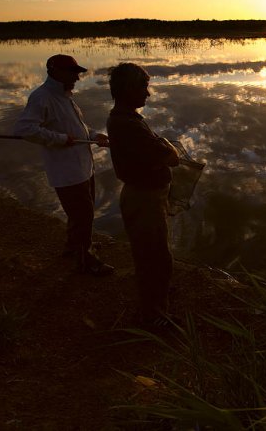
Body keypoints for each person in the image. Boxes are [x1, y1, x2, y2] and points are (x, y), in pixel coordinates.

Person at [14, 54, 114, 277]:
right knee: (83, 216)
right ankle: (86, 261)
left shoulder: (66, 97)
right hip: (67, 172)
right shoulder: (42, 97)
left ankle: (74, 247)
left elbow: (79, 129)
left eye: (77, 73)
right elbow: (24, 129)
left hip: (83, 167)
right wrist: (59, 139)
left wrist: (96, 136)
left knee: (81, 214)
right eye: (73, 73)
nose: (77, 78)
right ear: (55, 72)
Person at [105, 62, 180, 327]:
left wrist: (162, 147)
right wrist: (168, 147)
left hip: (143, 197)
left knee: (152, 254)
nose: (148, 94)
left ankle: (155, 304)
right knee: (155, 259)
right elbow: (171, 156)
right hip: (145, 200)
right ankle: (155, 316)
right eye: (144, 87)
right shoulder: (129, 125)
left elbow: (158, 153)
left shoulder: (124, 119)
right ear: (128, 89)